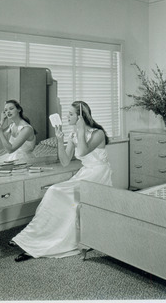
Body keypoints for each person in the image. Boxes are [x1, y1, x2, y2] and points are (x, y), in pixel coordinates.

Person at [10, 100, 112, 262]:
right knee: (54, 191)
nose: (67, 117)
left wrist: (79, 130)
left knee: (65, 198)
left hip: (98, 174)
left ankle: (64, 240)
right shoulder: (73, 135)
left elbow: (84, 150)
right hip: (85, 172)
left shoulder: (97, 133)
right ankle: (34, 238)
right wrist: (59, 140)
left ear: (80, 116)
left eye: (71, 114)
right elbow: (65, 161)